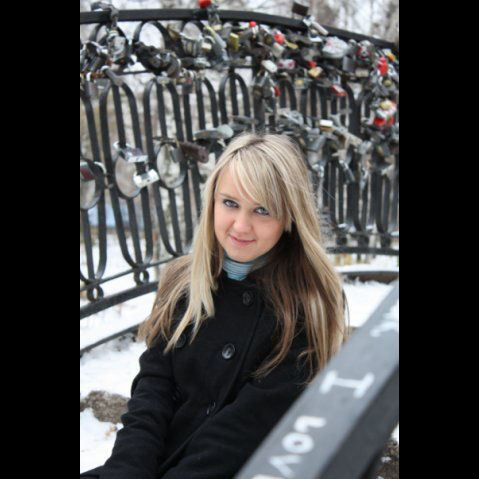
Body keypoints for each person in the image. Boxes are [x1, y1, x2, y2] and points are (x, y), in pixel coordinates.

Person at [80, 132, 348, 479]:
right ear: (212, 202)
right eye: (230, 203)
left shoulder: (304, 305)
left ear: (289, 219)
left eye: (262, 210)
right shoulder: (183, 280)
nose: (241, 226)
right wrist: (127, 470)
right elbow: (152, 391)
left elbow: (245, 431)